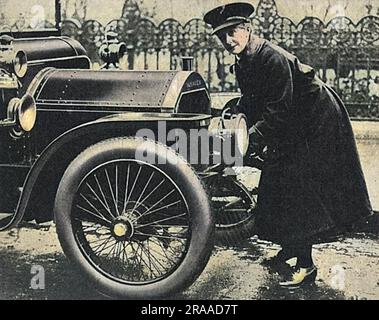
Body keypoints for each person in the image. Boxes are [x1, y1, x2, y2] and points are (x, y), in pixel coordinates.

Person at [204, 2, 376, 288]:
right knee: (277, 182)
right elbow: (253, 100)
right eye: (222, 36)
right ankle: (289, 249)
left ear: (247, 29)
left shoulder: (270, 57)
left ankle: (306, 267)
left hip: (316, 120)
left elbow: (279, 111)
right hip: (294, 120)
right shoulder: (244, 59)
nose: (228, 40)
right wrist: (236, 119)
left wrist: (247, 141)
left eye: (232, 32)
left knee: (298, 190)